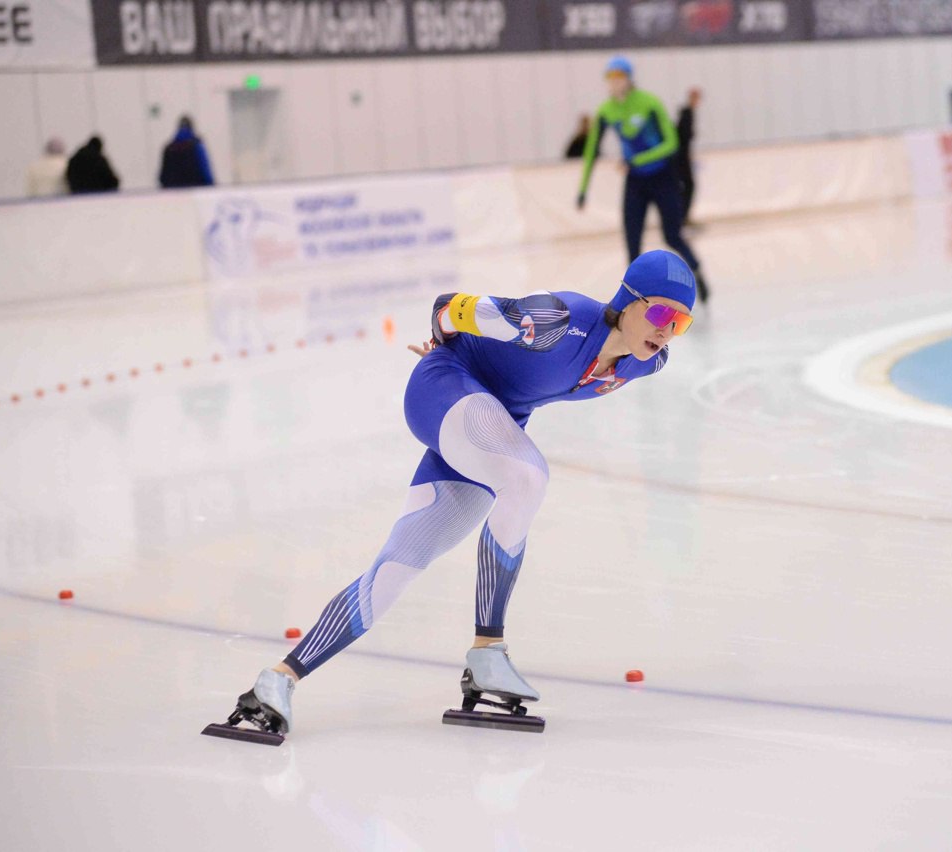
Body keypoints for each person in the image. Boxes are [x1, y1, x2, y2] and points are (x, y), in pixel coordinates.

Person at [219, 249, 698, 738]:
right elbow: (449, 306)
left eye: (680, 323)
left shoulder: (646, 363)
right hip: (444, 388)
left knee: (400, 563)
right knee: (527, 478)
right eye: (662, 313)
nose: (667, 330)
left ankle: (276, 681)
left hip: (490, 424)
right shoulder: (556, 320)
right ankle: (488, 651)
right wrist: (443, 343)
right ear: (627, 300)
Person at [576, 56, 710, 304]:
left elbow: (671, 143)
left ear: (629, 78)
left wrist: (637, 159)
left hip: (663, 177)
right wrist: (583, 189)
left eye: (619, 76)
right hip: (635, 182)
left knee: (672, 236)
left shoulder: (648, 103)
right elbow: (591, 150)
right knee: (632, 242)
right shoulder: (606, 111)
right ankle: (632, 299)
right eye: (610, 77)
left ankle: (697, 272)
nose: (615, 82)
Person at [159, 115, 215, 188]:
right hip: (195, 190)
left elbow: (163, 177)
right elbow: (205, 172)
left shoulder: (169, 148)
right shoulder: (196, 145)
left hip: (173, 191)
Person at [675, 88, 702, 226]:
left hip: (682, 155)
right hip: (681, 157)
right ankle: (682, 216)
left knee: (686, 186)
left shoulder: (688, 112)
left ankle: (683, 216)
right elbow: (682, 136)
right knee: (688, 186)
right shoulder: (687, 113)